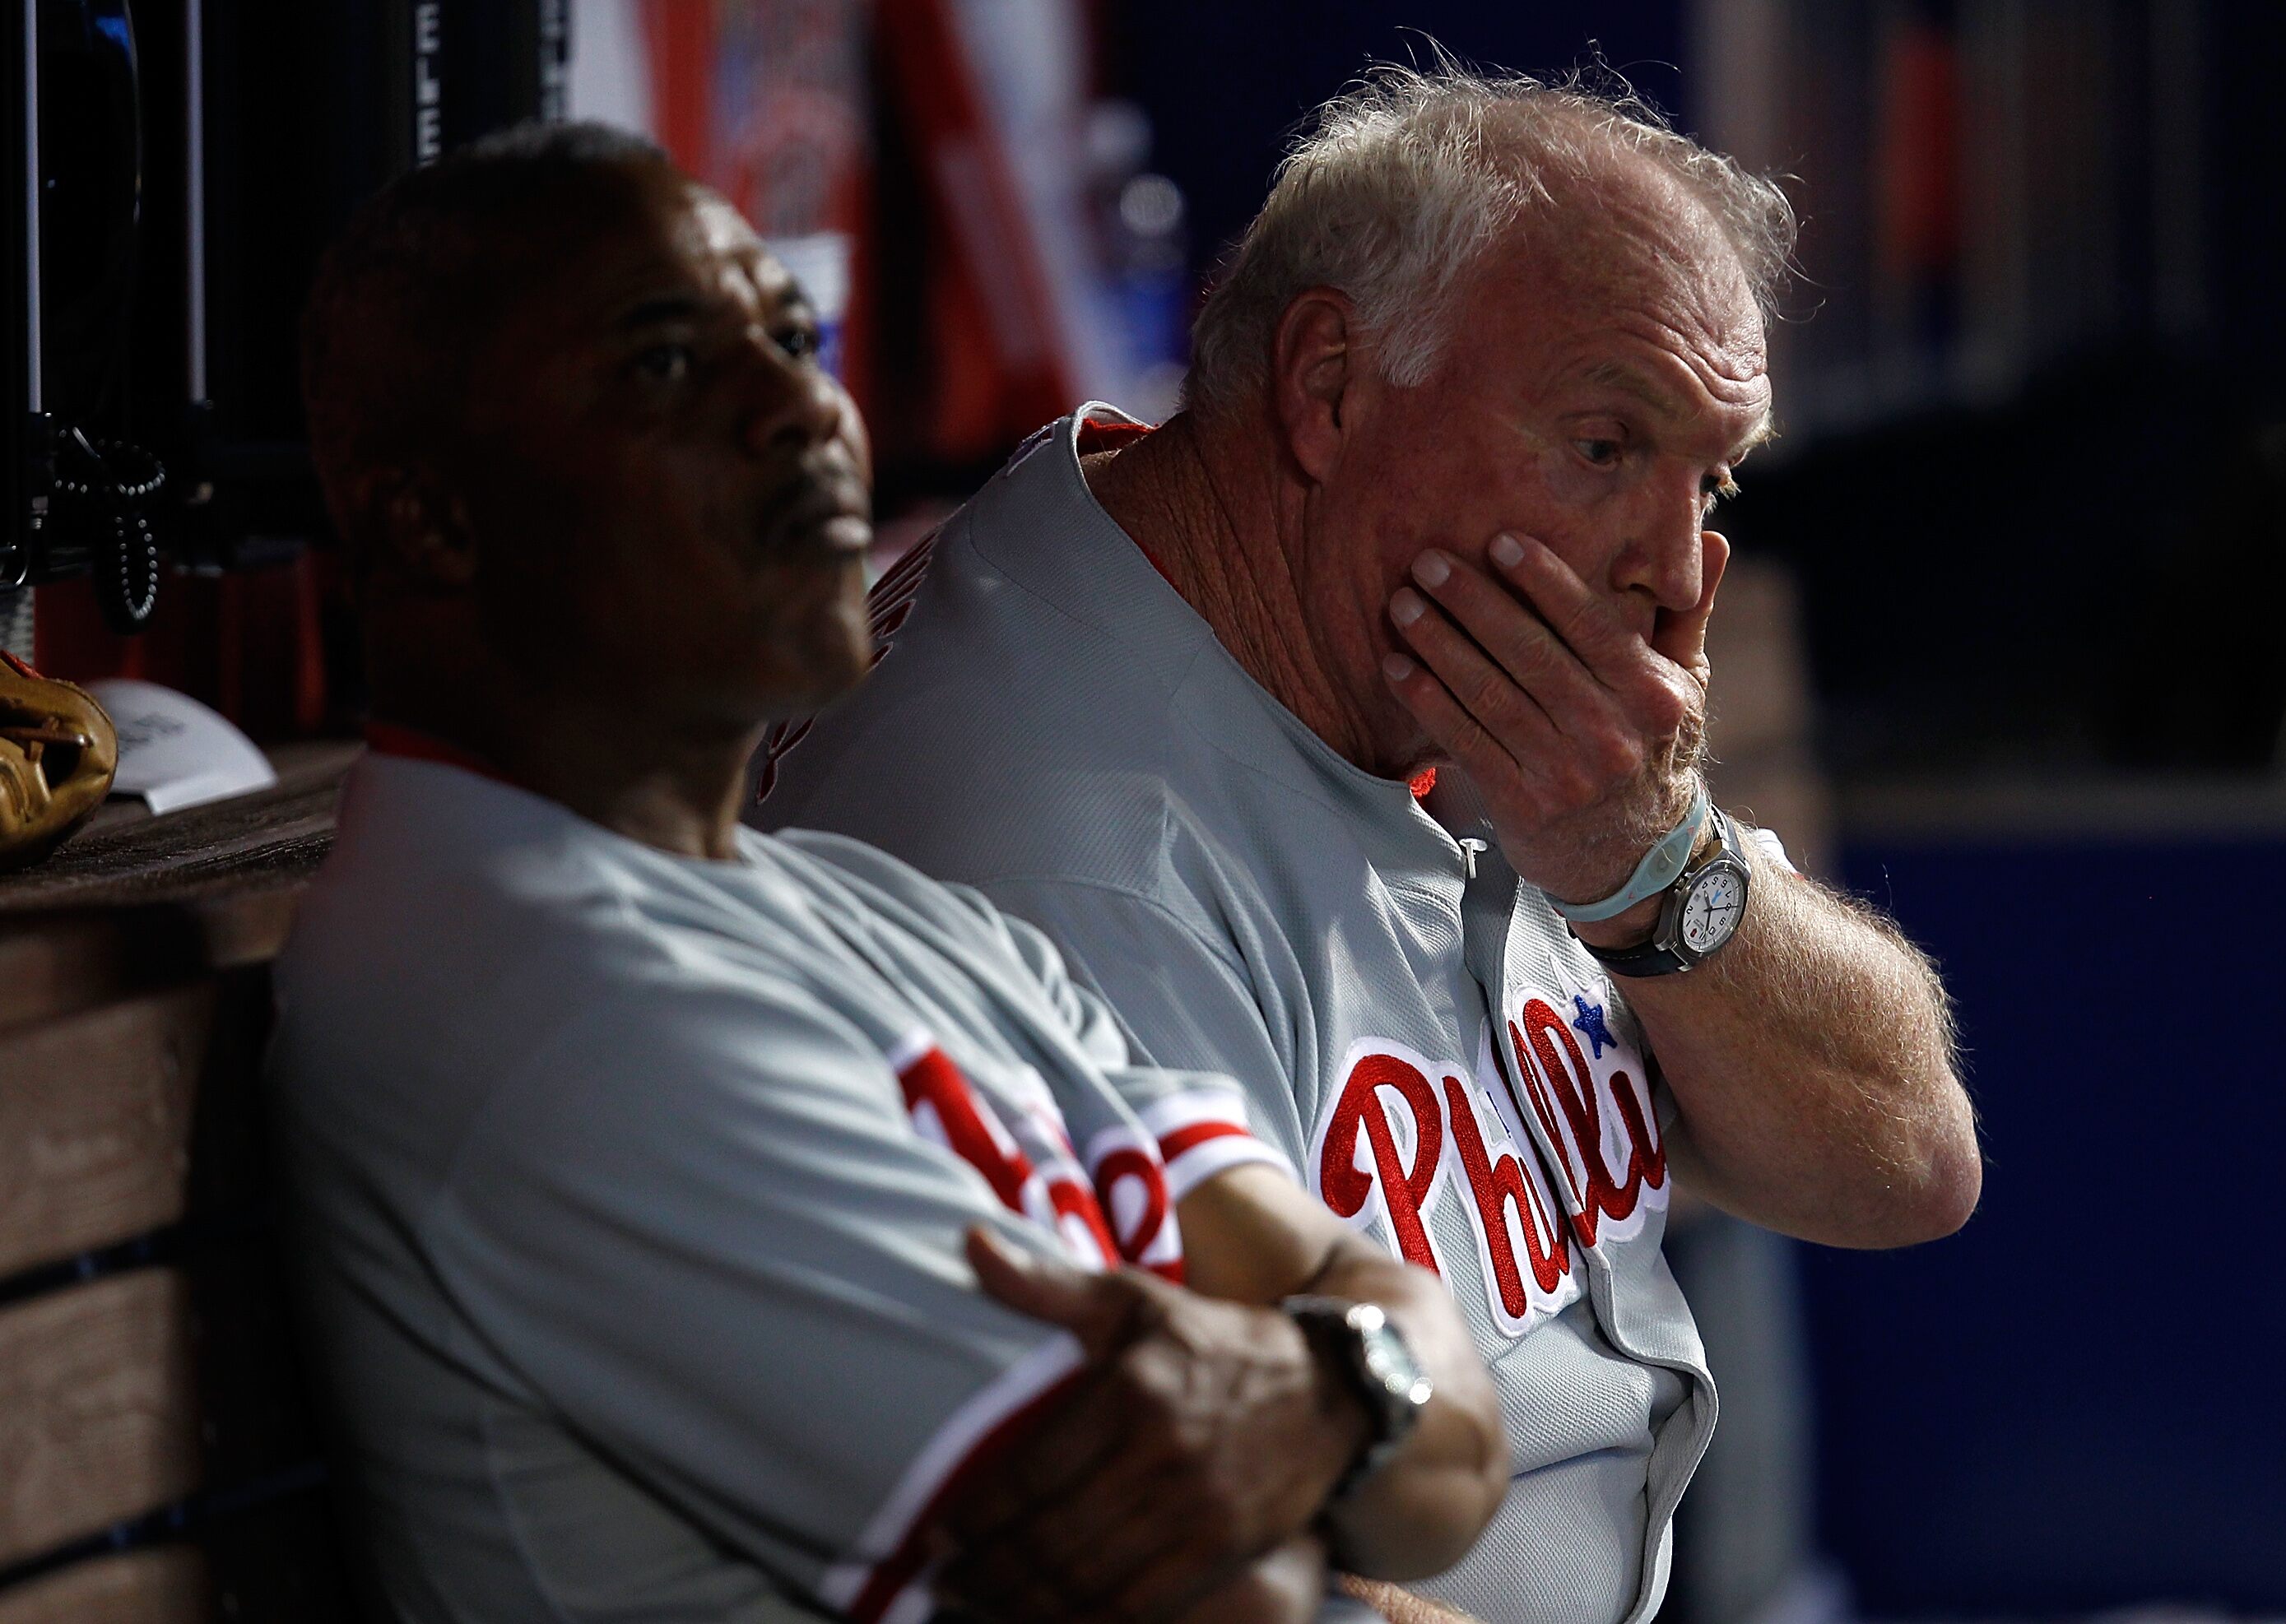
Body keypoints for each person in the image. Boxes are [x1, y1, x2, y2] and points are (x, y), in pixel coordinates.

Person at [751, 64, 1982, 1624]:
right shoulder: (1056, 846)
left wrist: (1649, 861)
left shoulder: (1436, 665)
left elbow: (1908, 1161)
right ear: (1329, 386)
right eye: (1608, 444)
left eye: (1711, 478)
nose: (1680, 576)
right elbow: (1184, 1574)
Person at [269, 122, 1509, 1624]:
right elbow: (1223, 1590)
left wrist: (1339, 1374)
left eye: (791, 335)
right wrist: (1355, 1385)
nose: (799, 408)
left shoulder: (874, 915)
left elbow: (1453, 1444)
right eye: (666, 366)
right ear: (432, 517)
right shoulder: (544, 996)